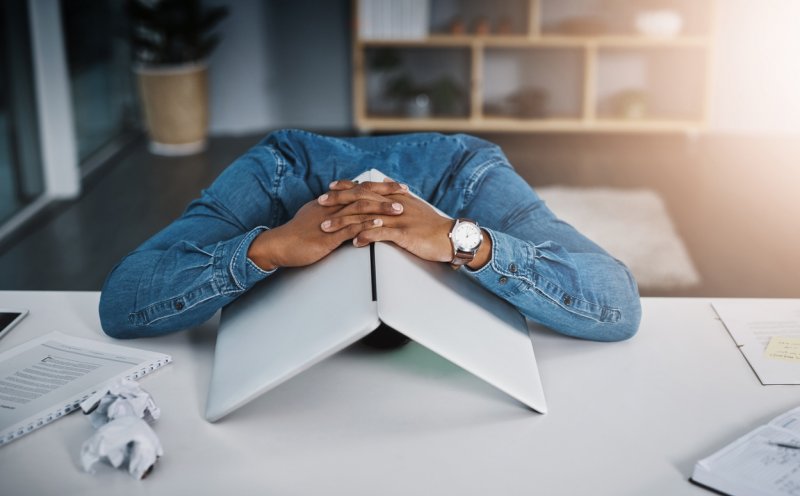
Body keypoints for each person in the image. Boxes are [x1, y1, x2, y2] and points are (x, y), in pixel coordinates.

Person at [99, 129, 641, 342]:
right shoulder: (271, 174)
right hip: (292, 162)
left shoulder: (473, 178)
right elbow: (123, 301)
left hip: (453, 166)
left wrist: (463, 239)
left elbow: (618, 303)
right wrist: (266, 247)